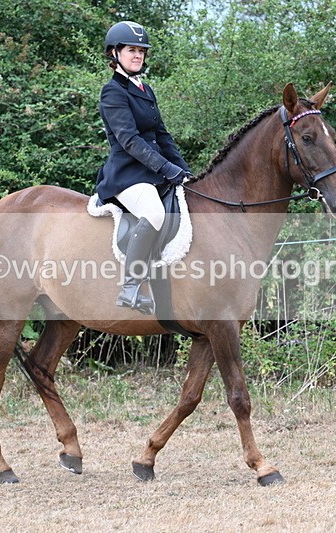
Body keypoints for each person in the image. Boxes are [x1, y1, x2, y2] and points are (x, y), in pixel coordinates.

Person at [95, 21, 192, 315]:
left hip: (153, 172)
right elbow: (130, 141)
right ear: (115, 53)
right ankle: (130, 286)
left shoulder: (144, 89)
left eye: (141, 51)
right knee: (153, 212)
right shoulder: (112, 92)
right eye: (131, 50)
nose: (138, 55)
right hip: (127, 175)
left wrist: (183, 170)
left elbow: (161, 135)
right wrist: (166, 169)